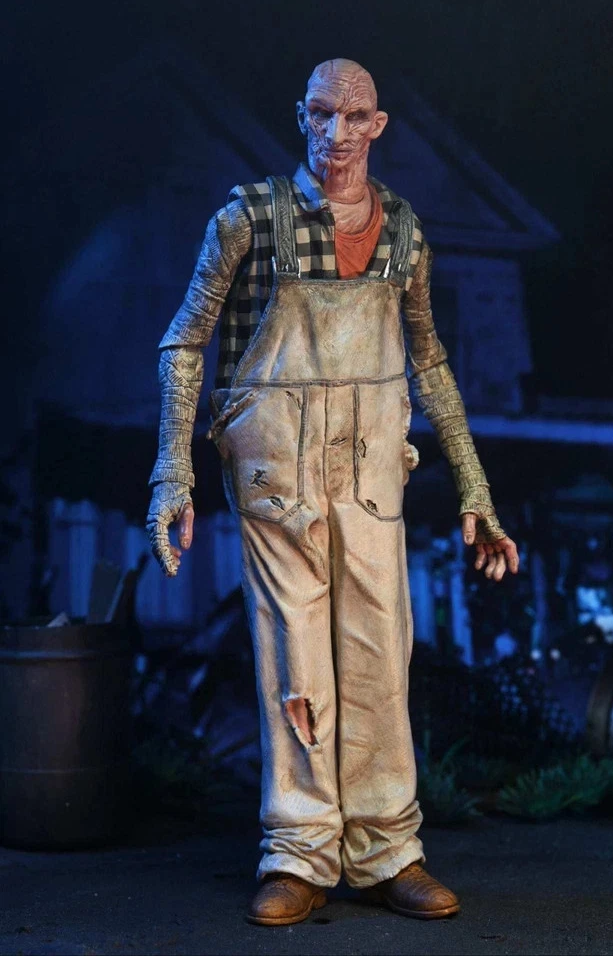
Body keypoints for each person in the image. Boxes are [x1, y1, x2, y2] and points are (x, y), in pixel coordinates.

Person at [147, 58, 519, 926]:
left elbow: (428, 359)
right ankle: (297, 850)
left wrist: (474, 484)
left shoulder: (404, 232)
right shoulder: (249, 217)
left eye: (355, 117)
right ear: (302, 117)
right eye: (322, 114)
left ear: (377, 126)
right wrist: (173, 468)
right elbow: (185, 340)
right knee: (294, 660)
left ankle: (389, 849)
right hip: (276, 472)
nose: (337, 133)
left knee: (381, 658)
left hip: (372, 474)